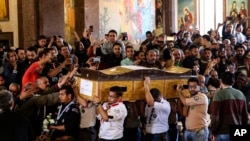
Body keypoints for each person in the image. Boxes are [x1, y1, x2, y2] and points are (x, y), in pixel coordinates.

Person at [210, 72, 249, 141]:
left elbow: (215, 117)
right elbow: (245, 116)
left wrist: (213, 132)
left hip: (222, 132)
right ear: (233, 81)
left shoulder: (218, 95)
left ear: (220, 80)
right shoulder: (241, 94)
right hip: (238, 132)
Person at [144, 77, 171, 141]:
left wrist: (146, 85)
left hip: (161, 135)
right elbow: (146, 115)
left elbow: (151, 102)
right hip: (149, 134)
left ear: (159, 97)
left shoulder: (165, 105)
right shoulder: (148, 105)